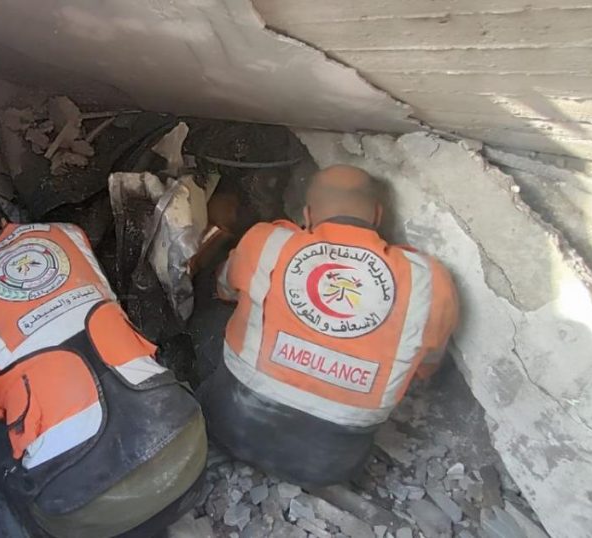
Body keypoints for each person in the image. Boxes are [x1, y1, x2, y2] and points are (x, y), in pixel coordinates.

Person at [0, 197, 207, 538]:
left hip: (82, 511)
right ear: (3, 222)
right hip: (187, 451)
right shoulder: (68, 234)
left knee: (0, 442)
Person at [194, 165, 459, 487]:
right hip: (328, 465)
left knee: (218, 316)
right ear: (377, 215)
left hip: (227, 426)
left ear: (307, 215)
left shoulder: (268, 241)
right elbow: (426, 367)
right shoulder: (428, 281)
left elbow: (224, 288)